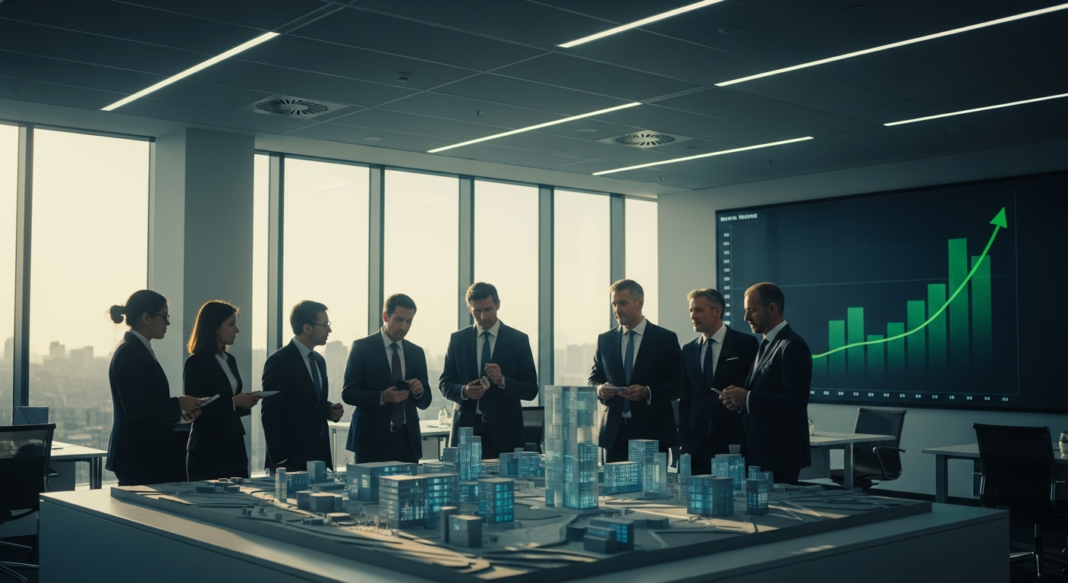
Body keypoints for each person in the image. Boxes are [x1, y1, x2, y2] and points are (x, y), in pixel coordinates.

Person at [106, 290, 204, 486]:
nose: (168, 323)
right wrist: (177, 403)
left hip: (144, 457)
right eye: (165, 317)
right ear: (146, 318)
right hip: (138, 458)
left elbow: (147, 406)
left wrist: (178, 415)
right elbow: (135, 410)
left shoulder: (139, 349)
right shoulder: (130, 352)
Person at [721, 282, 812, 484]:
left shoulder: (791, 346)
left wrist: (749, 398)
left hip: (780, 456)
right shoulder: (767, 344)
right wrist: (740, 403)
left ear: (772, 309)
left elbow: (796, 400)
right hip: (761, 453)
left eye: (751, 310)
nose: (746, 317)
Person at [439, 282, 538, 459]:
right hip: (466, 430)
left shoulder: (518, 340)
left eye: (488, 309)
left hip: (506, 433)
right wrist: (464, 391)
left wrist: (502, 381)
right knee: (463, 485)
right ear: (469, 309)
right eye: (477, 311)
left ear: (498, 305)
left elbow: (531, 389)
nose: (483, 316)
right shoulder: (457, 340)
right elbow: (445, 384)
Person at [590, 279, 681, 463]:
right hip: (615, 434)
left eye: (623, 303)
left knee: (651, 491)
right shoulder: (605, 340)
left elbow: (680, 385)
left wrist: (648, 392)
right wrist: (601, 389)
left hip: (653, 433)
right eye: (614, 304)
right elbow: (594, 379)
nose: (617, 309)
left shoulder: (665, 339)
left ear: (640, 303)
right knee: (614, 492)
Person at [342, 294, 432, 464]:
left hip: (407, 441)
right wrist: (382, 397)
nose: (404, 327)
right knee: (370, 491)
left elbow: (425, 401)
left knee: (409, 491)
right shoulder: (362, 348)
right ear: (385, 316)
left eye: (409, 321)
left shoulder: (416, 352)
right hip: (370, 441)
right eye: (399, 320)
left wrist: (420, 392)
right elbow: (349, 393)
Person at [678, 288, 758, 475]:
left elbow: (754, 390)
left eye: (699, 310)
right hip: (696, 445)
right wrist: (683, 441)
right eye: (691, 311)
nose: (693, 316)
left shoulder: (745, 344)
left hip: (733, 441)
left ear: (717, 311)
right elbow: (686, 399)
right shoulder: (688, 350)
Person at [260, 300, 345, 472]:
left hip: (319, 457)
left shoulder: (319, 360)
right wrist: (280, 459)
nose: (329, 330)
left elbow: (311, 401)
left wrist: (329, 410)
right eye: (325, 325)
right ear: (307, 328)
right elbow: (270, 413)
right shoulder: (279, 361)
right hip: (290, 460)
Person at [184, 300, 260, 481]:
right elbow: (196, 408)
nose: (237, 330)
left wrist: (245, 401)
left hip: (234, 444)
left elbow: (229, 401)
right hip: (208, 448)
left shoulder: (229, 360)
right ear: (214, 328)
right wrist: (234, 402)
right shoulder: (196, 363)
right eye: (231, 324)